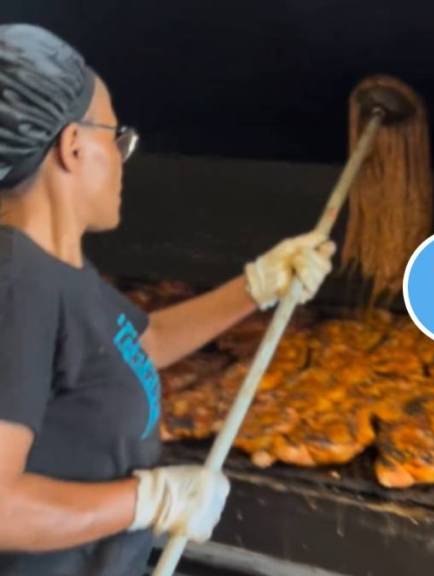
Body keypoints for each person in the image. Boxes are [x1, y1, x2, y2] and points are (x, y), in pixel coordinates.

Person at [0, 24, 334, 575]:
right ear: (73, 146)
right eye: (116, 137)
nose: (123, 156)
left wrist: (256, 286)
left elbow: (143, 343)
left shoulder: (63, 272)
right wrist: (148, 500)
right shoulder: (18, 285)